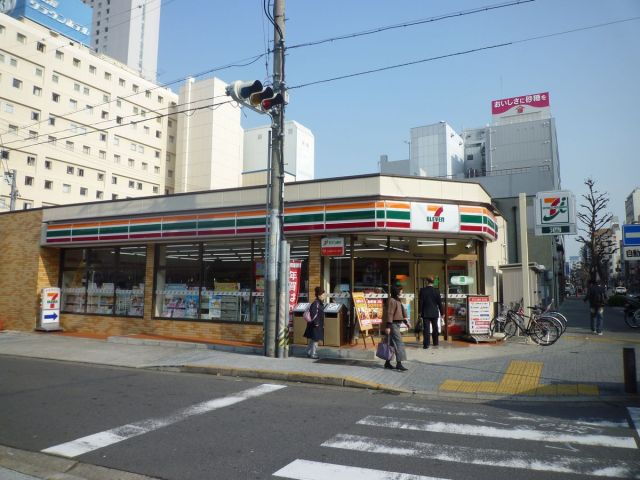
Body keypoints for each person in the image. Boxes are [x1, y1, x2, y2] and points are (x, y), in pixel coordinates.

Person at [385, 286, 409, 371]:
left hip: (397, 324)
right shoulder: (392, 300)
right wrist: (388, 326)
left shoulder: (397, 300)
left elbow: (401, 312)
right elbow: (390, 313)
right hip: (393, 324)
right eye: (401, 290)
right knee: (399, 343)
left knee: (392, 344)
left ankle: (387, 363)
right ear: (396, 291)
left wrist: (406, 322)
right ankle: (399, 363)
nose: (402, 292)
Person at [418, 276, 444, 349]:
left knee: (426, 329)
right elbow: (439, 303)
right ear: (433, 282)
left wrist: (419, 312)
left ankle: (426, 344)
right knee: (435, 327)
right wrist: (442, 313)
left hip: (425, 312)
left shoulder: (422, 290)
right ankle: (435, 342)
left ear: (427, 281)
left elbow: (421, 302)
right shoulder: (437, 291)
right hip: (434, 312)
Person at [304, 286, 326, 359]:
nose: (324, 296)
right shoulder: (316, 303)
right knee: (315, 339)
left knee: (313, 339)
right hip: (315, 324)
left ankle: (308, 352)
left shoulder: (319, 303)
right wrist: (316, 323)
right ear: (319, 295)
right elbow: (313, 313)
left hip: (317, 324)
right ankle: (313, 354)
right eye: (323, 295)